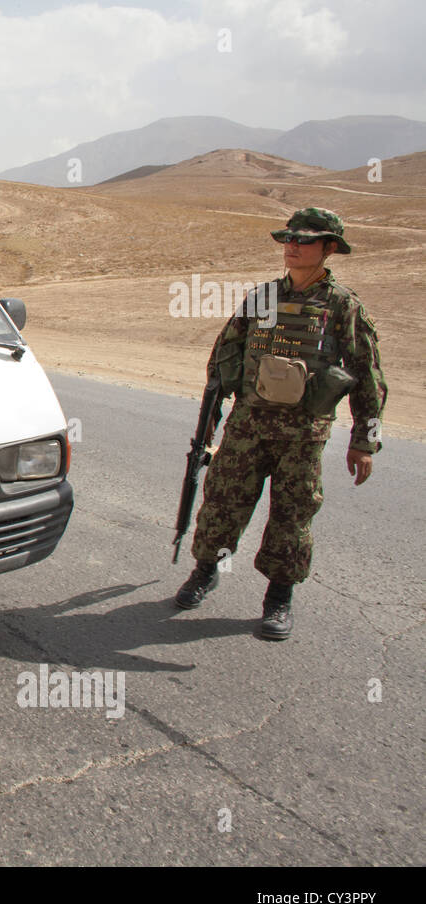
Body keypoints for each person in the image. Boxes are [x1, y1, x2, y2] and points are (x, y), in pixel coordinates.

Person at [174, 207, 387, 639]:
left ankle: (278, 599)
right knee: (222, 504)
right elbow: (223, 357)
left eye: (304, 241)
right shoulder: (262, 297)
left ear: (329, 249)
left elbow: (367, 374)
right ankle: (205, 572)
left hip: (302, 435)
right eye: (288, 239)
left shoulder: (342, 305)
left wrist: (364, 440)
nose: (292, 247)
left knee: (292, 516)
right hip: (247, 425)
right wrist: (210, 422)